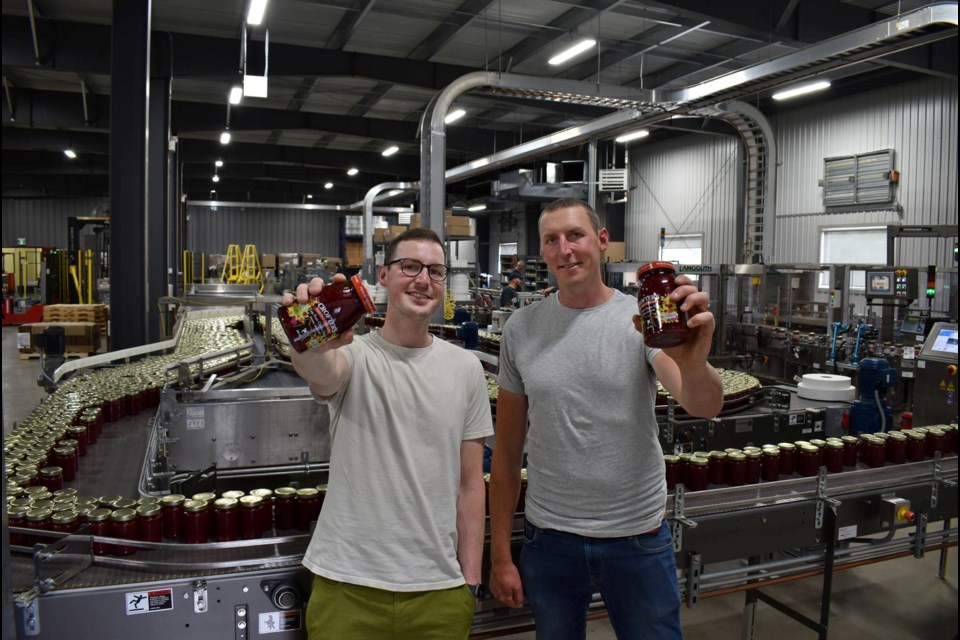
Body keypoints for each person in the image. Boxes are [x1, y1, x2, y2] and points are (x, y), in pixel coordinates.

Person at [488, 198, 723, 639]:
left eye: (575, 235)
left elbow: (703, 405)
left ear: (601, 242)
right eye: (552, 240)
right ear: (543, 253)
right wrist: (502, 554)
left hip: (636, 536)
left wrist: (693, 363)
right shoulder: (521, 328)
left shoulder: (643, 320)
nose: (565, 250)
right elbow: (505, 453)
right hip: (550, 538)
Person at [283, 227, 494, 639]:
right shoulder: (351, 355)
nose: (422, 280)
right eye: (409, 266)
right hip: (347, 587)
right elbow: (317, 371)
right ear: (383, 275)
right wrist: (307, 343)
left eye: (435, 271)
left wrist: (469, 579)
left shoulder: (465, 368)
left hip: (439, 591)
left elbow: (471, 484)